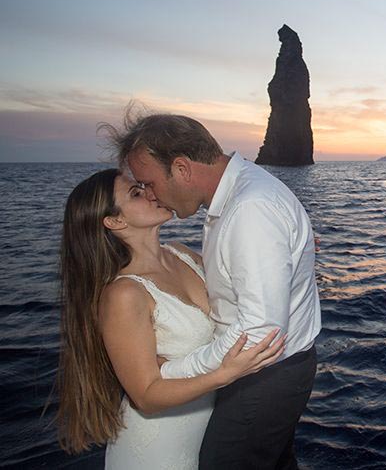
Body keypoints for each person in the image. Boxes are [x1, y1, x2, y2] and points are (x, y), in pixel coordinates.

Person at [106, 113, 322, 469]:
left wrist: (172, 370)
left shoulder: (249, 209)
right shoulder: (242, 199)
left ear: (181, 169)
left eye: (149, 182)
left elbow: (260, 335)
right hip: (262, 376)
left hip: (260, 378)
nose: (151, 195)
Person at [56, 168, 287, 468]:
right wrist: (225, 375)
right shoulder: (124, 294)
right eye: (136, 194)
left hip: (204, 432)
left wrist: (281, 251)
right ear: (115, 221)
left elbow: (241, 286)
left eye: (144, 186)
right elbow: (146, 396)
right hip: (157, 447)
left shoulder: (181, 254)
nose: (152, 193)